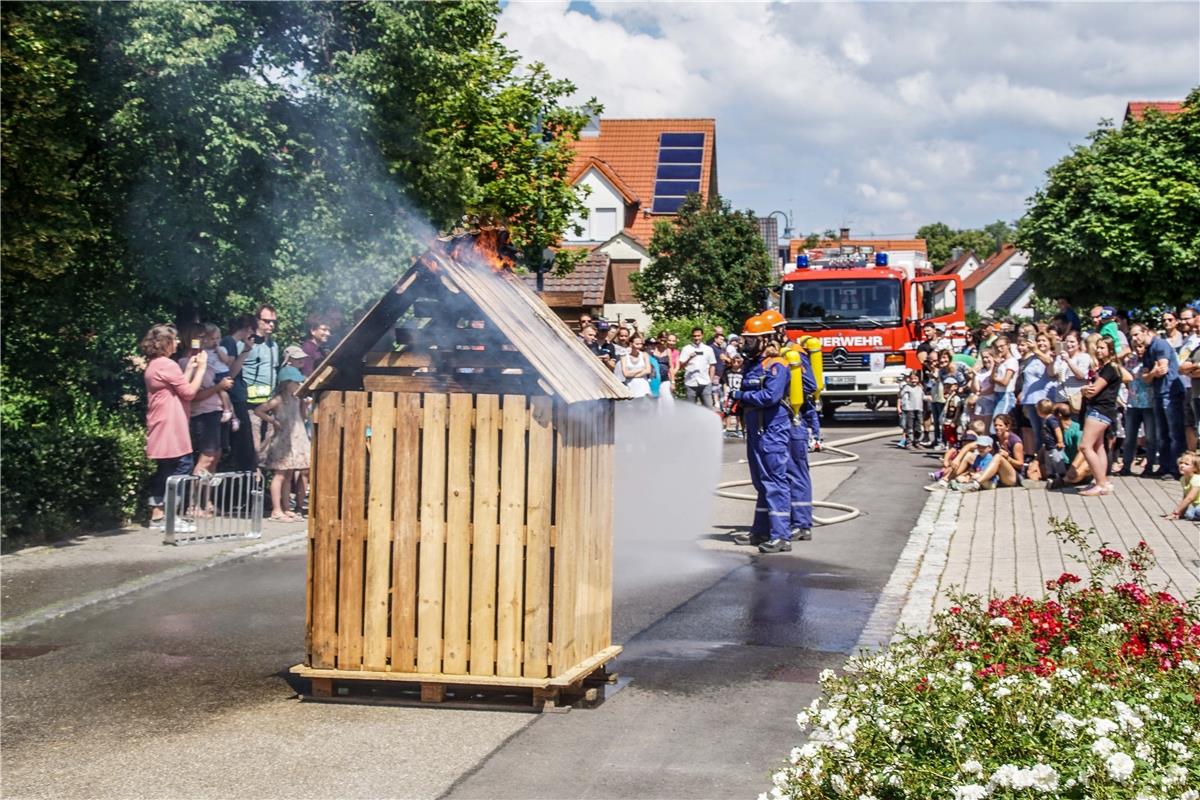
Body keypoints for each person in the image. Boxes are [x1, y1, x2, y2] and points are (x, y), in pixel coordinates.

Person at [729, 315, 794, 553]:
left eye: (750, 339)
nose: (745, 343)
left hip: (772, 431)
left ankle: (781, 536)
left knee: (775, 481)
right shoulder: (753, 364)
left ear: (765, 339)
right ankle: (760, 530)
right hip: (756, 430)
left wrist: (741, 397)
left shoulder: (777, 365)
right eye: (745, 339)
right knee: (761, 482)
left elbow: (770, 397)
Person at [141, 324, 205, 530]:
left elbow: (176, 387)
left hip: (162, 421)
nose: (178, 342)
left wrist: (188, 370)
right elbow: (188, 393)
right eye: (174, 339)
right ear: (165, 343)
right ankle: (171, 515)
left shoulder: (155, 364)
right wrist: (202, 369)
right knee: (181, 466)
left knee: (166, 468)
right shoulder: (167, 365)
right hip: (171, 424)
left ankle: (158, 515)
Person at [177, 324, 234, 512]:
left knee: (215, 457)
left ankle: (207, 500)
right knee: (206, 458)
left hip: (216, 411)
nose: (204, 340)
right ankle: (193, 504)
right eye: (199, 337)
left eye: (205, 337)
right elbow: (193, 395)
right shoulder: (187, 362)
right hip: (203, 413)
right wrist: (219, 387)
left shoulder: (207, 358)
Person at [253, 366, 310, 521]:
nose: (299, 385)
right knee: (279, 474)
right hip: (283, 440)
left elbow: (303, 418)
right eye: (296, 383)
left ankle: (286, 507)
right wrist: (273, 420)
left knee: (289, 474)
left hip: (295, 439)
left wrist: (304, 406)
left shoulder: (296, 399)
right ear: (287, 383)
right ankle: (276, 509)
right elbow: (259, 410)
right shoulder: (278, 399)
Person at [1131, 322, 1186, 479]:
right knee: (1162, 434)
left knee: (1175, 433)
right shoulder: (1148, 352)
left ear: (1146, 332)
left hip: (1171, 393)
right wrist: (1153, 373)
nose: (1134, 339)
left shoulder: (1160, 344)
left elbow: (1162, 369)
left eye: (1136, 334)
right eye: (1132, 336)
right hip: (1158, 394)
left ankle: (1176, 469)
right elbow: (1147, 378)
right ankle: (1164, 466)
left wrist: (1153, 373)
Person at [1077, 336, 1125, 496]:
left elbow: (1093, 390)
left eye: (1102, 347)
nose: (1099, 350)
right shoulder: (1106, 367)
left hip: (1101, 409)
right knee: (1098, 446)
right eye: (1097, 347)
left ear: (1110, 350)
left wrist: (1084, 390)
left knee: (1085, 446)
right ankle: (1103, 480)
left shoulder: (1110, 368)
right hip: (1101, 409)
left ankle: (1100, 483)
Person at [219, 314, 257, 474]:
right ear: (248, 329)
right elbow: (231, 373)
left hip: (236, 396)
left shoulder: (229, 342)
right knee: (243, 445)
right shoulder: (230, 342)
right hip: (234, 398)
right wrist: (246, 352)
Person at [244, 304, 281, 457]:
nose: (271, 324)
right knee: (252, 447)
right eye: (266, 321)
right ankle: (252, 476)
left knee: (266, 452)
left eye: (273, 321)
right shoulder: (247, 342)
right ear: (257, 321)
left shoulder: (274, 345)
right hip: (250, 404)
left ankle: (260, 477)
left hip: (269, 404)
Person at [1118, 341, 1156, 476]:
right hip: (1133, 403)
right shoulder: (1131, 361)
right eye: (1136, 347)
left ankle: (1149, 467)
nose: (1139, 350)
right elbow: (1124, 376)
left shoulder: (1151, 360)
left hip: (1149, 404)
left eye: (1141, 347)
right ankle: (1126, 466)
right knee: (1129, 438)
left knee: (1150, 437)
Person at [1019, 333, 1058, 456]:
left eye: (1044, 341)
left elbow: (1050, 364)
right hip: (1030, 399)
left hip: (1044, 399)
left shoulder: (1050, 356)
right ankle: (1039, 459)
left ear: (1050, 343)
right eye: (1038, 341)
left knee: (1046, 431)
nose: (1041, 343)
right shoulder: (1032, 357)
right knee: (1036, 432)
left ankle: (1050, 459)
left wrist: (1036, 350)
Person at [1055, 331, 1092, 419]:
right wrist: (1053, 360)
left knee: (1076, 427)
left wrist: (1068, 360)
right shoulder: (1060, 357)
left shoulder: (1084, 357)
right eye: (1067, 342)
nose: (1069, 344)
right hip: (1061, 398)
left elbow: (1081, 375)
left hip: (1076, 398)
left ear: (1078, 343)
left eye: (1072, 342)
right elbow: (1052, 373)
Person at [679, 327, 717, 410]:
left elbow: (712, 365)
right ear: (692, 337)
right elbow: (681, 366)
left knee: (708, 409)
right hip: (690, 382)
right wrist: (689, 358)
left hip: (705, 382)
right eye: (694, 336)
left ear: (702, 336)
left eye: (698, 336)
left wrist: (710, 380)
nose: (696, 338)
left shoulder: (708, 349)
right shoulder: (686, 349)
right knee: (690, 410)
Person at [1035, 398, 1068, 488]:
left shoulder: (1051, 419)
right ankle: (1051, 477)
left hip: (1054, 446)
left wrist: (1060, 442)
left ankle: (1062, 477)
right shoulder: (1046, 419)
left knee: (1057, 461)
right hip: (1048, 446)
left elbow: (1057, 430)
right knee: (1049, 462)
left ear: (1040, 410)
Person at [614, 334, 653, 398]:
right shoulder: (624, 357)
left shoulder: (645, 355)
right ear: (631, 344)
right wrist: (641, 370)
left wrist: (632, 375)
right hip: (630, 386)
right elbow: (626, 374)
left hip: (643, 386)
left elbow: (648, 370)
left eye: (640, 344)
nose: (639, 346)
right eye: (637, 344)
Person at [1164, 451, 1200, 521]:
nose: (1182, 465)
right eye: (1181, 463)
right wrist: (1181, 512)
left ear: (1195, 468)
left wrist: (1176, 512)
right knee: (1189, 514)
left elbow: (1190, 498)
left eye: (1186, 464)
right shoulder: (1182, 479)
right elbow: (1185, 497)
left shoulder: (1197, 479)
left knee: (1192, 513)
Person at [897, 370, 924, 449]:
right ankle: (909, 443)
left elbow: (922, 397)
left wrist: (929, 398)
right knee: (909, 427)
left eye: (915, 378)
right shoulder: (907, 387)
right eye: (912, 379)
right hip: (910, 409)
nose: (913, 381)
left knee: (918, 427)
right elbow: (900, 395)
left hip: (919, 409)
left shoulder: (920, 388)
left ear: (919, 379)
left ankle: (917, 442)